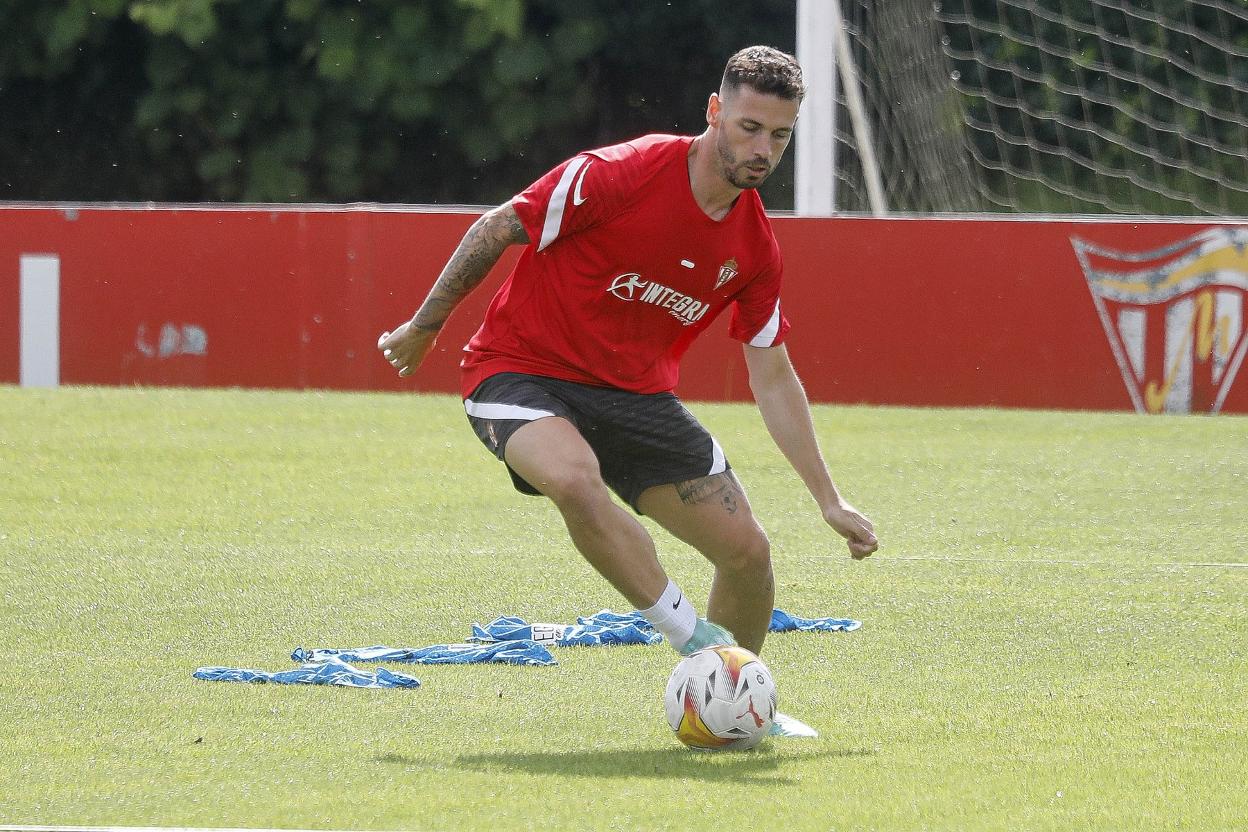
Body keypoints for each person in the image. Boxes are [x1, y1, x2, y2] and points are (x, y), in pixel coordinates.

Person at [378, 46, 878, 733]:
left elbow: (772, 371)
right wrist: (423, 325)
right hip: (518, 371)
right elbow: (498, 225)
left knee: (749, 554)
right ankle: (691, 640)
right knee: (575, 479)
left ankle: (728, 708)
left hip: (635, 399)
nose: (763, 149)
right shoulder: (622, 173)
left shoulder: (755, 247)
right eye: (749, 128)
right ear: (715, 112)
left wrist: (829, 498)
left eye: (780, 135)